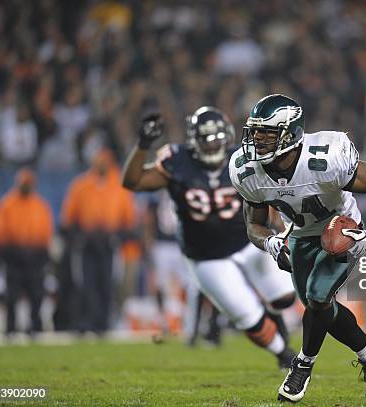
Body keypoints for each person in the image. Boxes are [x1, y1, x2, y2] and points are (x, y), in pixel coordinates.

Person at [229, 94, 366, 402]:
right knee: (320, 308)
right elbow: (254, 225)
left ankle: (302, 366)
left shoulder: (324, 157)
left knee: (319, 298)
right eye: (254, 132)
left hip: (340, 229)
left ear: (290, 133)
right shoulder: (247, 171)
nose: (257, 140)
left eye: (267, 133)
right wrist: (270, 243)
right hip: (300, 234)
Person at [121, 106, 297, 369]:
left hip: (247, 240)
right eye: (207, 138)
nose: (213, 143)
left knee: (284, 297)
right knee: (249, 319)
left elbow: (266, 201)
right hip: (206, 256)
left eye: (217, 137)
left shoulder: (242, 159)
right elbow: (133, 182)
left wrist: (281, 232)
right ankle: (285, 355)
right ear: (194, 140)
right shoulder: (177, 160)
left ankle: (275, 315)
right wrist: (144, 144)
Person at [61, 149, 136, 334]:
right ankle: (86, 323)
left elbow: (129, 221)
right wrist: (78, 237)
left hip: (109, 245)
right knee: (86, 284)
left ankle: (103, 323)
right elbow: (68, 220)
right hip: (87, 244)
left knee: (107, 284)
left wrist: (117, 237)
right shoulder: (81, 185)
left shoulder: (119, 185)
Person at [0, 168, 54, 336]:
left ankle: (35, 326)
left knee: (36, 294)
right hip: (14, 256)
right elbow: (0, 232)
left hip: (35, 256)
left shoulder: (40, 205)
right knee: (12, 295)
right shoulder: (7, 204)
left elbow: (46, 232)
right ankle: (10, 327)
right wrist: (8, 252)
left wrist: (42, 252)